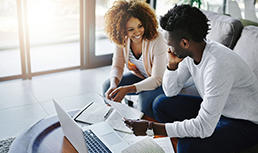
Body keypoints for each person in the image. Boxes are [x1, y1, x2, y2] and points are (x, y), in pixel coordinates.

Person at [124, 4, 258, 153]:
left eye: (169, 44)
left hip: (244, 123)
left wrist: (151, 128)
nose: (168, 48)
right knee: (161, 104)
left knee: (187, 146)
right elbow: (170, 91)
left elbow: (204, 127)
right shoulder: (192, 52)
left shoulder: (218, 65)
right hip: (219, 111)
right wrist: (171, 65)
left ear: (185, 43)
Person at [102, 0, 167, 118]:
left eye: (140, 26)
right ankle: (115, 121)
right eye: (131, 29)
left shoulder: (157, 39)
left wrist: (127, 89)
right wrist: (113, 85)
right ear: (122, 30)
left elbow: (157, 79)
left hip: (161, 82)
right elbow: (117, 66)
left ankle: (143, 132)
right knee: (107, 86)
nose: (137, 32)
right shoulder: (122, 39)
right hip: (143, 76)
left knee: (144, 100)